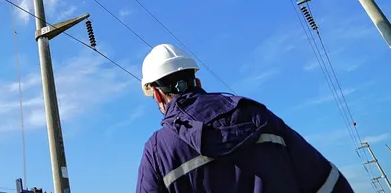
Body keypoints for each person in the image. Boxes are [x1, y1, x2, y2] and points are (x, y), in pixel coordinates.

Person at [136, 43, 354, 193]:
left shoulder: (158, 150)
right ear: (198, 82)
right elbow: (328, 183)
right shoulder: (260, 116)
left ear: (156, 94)